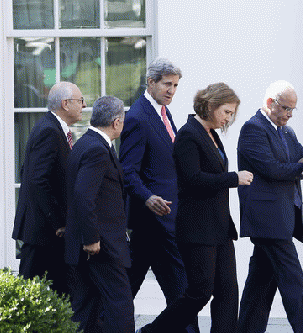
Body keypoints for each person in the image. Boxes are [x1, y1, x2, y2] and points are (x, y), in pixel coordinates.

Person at [136, 82, 253, 333]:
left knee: (228, 293)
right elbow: (193, 180)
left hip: (220, 228)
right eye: (226, 112)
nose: (229, 118)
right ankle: (152, 331)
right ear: (210, 106)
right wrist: (234, 178)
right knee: (200, 292)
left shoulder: (212, 135)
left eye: (232, 113)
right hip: (197, 229)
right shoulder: (189, 135)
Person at [237, 80, 303, 333]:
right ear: (269, 103)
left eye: (292, 110)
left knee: (260, 284)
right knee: (293, 279)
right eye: (285, 108)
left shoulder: (287, 132)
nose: (288, 114)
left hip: (281, 218)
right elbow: (272, 169)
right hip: (267, 220)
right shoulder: (253, 129)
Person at [119, 57, 198, 332]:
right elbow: (127, 170)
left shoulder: (163, 113)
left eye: (175, 85)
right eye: (167, 84)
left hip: (166, 219)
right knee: (183, 290)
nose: (172, 91)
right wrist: (148, 198)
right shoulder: (138, 117)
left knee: (128, 287)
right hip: (153, 219)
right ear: (150, 82)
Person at [65, 95, 134, 333]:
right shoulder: (97, 149)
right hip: (101, 246)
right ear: (116, 122)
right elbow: (84, 195)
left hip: (89, 245)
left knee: (88, 310)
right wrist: (92, 238)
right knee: (120, 306)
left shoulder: (85, 143)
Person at [12, 81, 86, 295]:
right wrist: (58, 222)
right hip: (43, 231)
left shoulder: (53, 128)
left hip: (47, 231)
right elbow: (37, 180)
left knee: (60, 290)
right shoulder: (49, 131)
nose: (83, 105)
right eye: (80, 100)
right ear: (65, 104)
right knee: (28, 295)